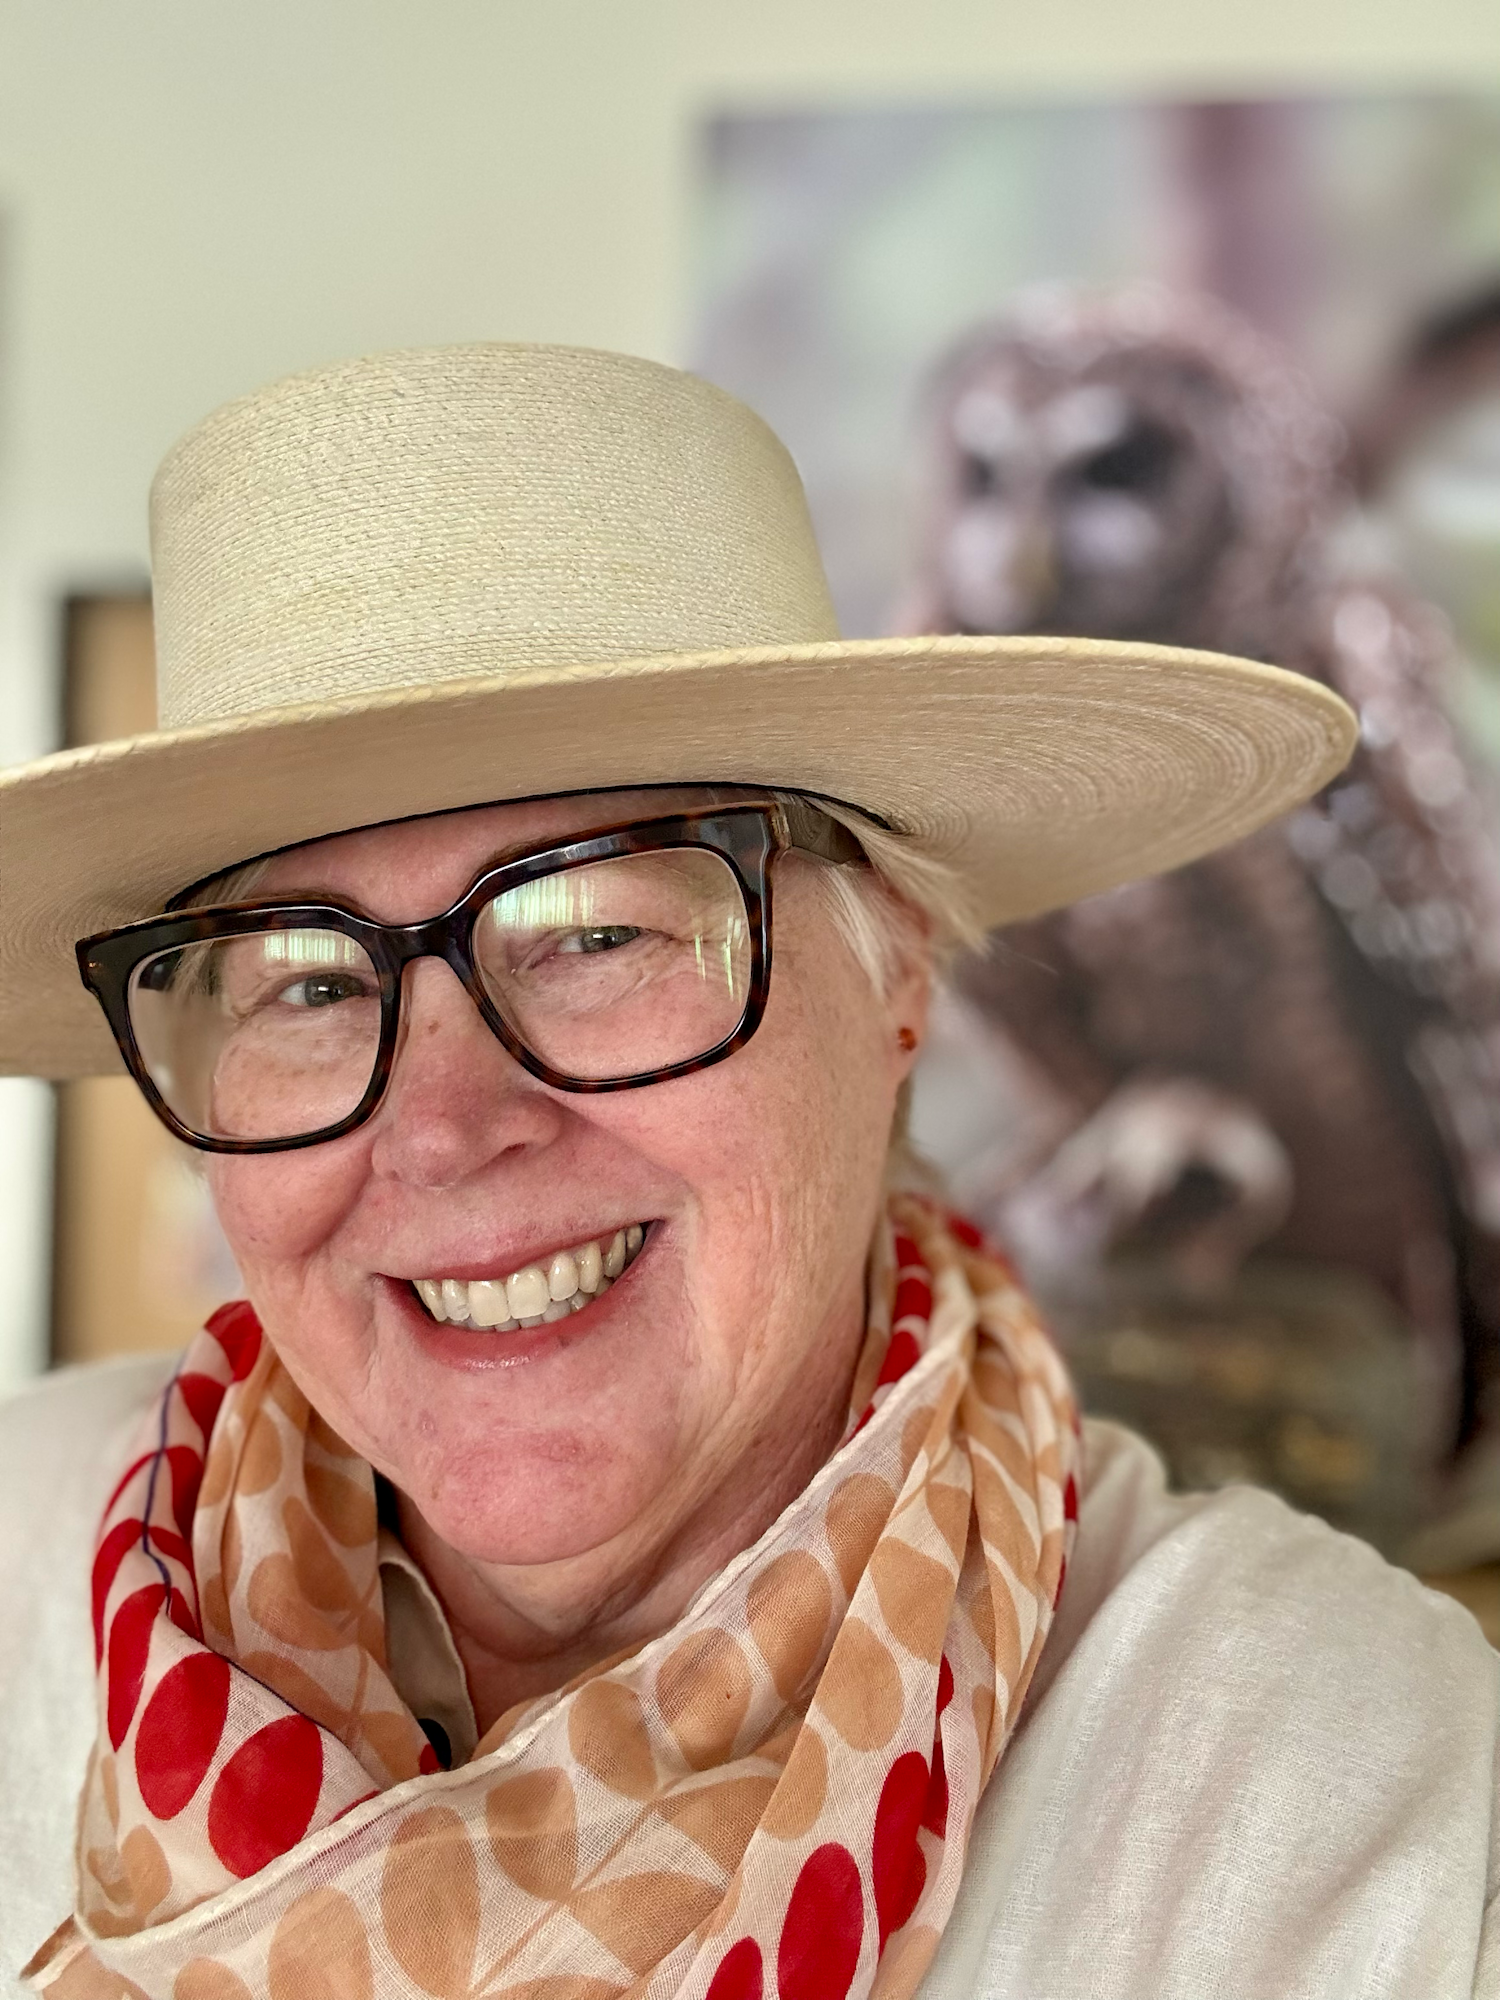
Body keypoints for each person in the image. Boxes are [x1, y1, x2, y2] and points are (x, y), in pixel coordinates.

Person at [0, 345, 1492, 2000]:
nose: (439, 1125)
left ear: (900, 978)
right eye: (307, 978)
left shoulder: (1335, 1789)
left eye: (597, 933)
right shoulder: (19, 1549)